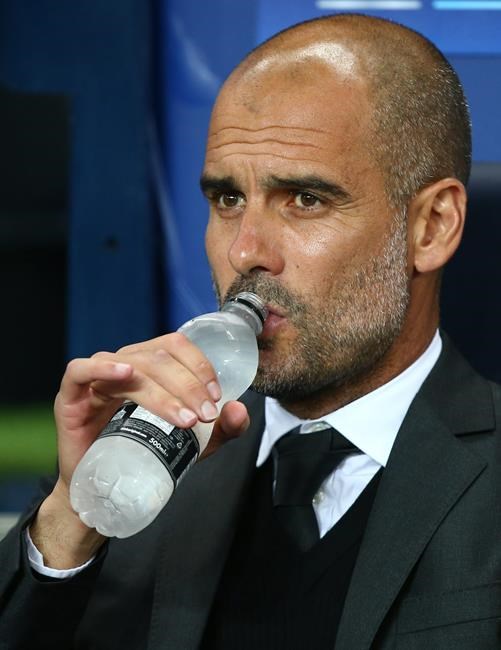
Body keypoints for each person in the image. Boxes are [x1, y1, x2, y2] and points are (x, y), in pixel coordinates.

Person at [1, 13, 500, 650]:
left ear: (431, 226)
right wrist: (73, 515)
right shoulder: (141, 471)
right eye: (227, 199)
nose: (245, 251)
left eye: (306, 199)